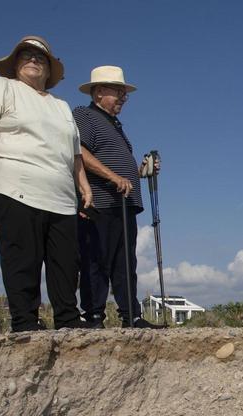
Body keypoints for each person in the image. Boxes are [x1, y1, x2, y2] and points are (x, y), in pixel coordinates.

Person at [0, 35, 93, 331]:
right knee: (23, 257)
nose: (33, 59)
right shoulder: (0, 87)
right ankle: (26, 322)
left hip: (61, 195)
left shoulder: (62, 106)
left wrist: (84, 184)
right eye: (26, 55)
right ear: (15, 63)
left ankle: (68, 319)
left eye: (40, 57)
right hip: (13, 184)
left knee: (66, 263)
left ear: (49, 68)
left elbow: (74, 152)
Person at [73, 65, 159, 328]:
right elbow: (79, 152)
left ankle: (130, 315)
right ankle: (94, 316)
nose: (123, 98)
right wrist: (113, 177)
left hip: (125, 202)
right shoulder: (84, 115)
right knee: (96, 259)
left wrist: (141, 171)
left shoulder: (117, 126)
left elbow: (120, 167)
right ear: (99, 92)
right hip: (100, 200)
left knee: (125, 262)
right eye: (118, 92)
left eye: (125, 94)